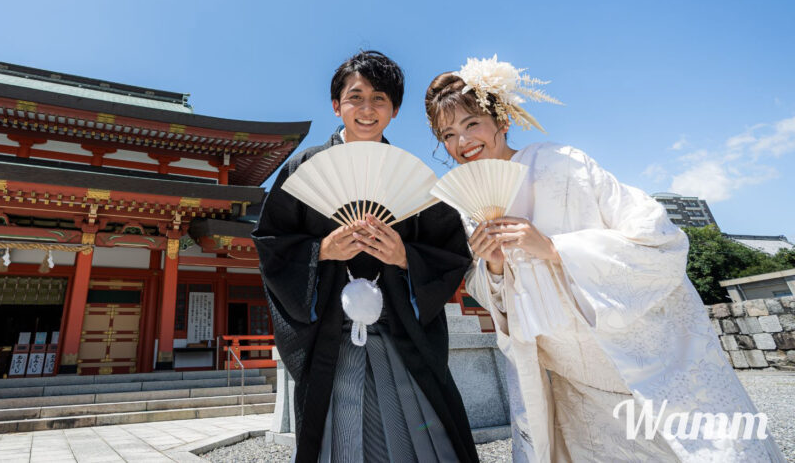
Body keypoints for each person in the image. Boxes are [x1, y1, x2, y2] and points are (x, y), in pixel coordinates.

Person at [425, 55, 784, 463]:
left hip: (643, 363)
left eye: (472, 124)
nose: (462, 142)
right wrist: (491, 269)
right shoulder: (471, 211)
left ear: (502, 120)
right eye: (448, 134)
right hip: (572, 384)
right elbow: (498, 305)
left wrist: (556, 249)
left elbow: (659, 239)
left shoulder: (563, 164)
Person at [252, 50, 479, 463]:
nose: (367, 109)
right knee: (340, 443)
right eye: (355, 97)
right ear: (337, 105)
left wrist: (405, 257)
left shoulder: (414, 178)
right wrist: (321, 250)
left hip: (400, 333)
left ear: (394, 111)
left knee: (422, 441)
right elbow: (272, 243)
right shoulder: (302, 167)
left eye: (380, 99)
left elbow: (449, 251)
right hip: (332, 340)